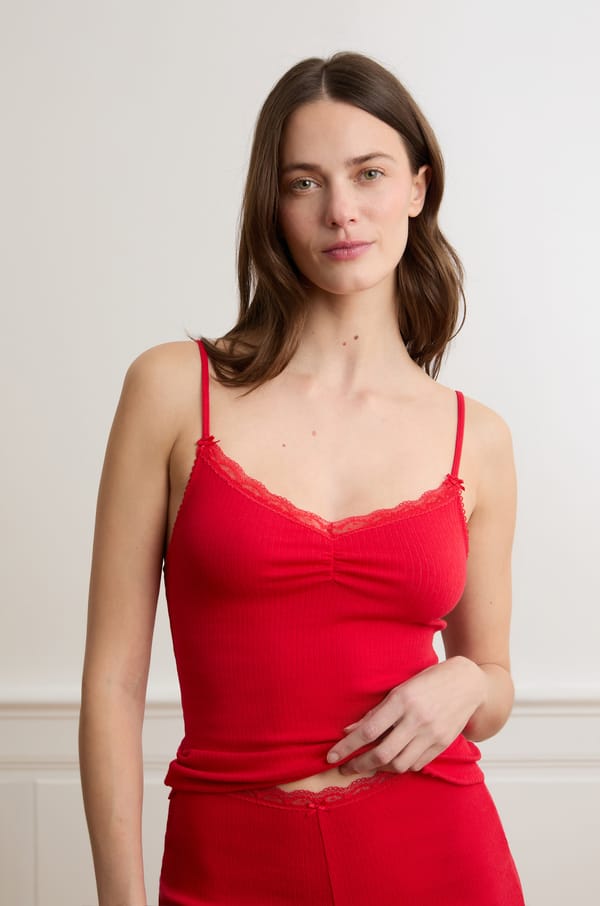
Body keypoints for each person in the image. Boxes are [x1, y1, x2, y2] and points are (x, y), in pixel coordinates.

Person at [79, 51, 526, 905]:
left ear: (418, 188)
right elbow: (113, 685)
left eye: (369, 173)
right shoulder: (173, 391)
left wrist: (471, 680)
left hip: (440, 854)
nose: (341, 210)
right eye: (304, 183)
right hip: (228, 863)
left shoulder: (478, 439)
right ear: (273, 206)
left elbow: (494, 680)